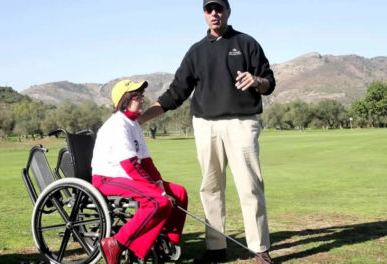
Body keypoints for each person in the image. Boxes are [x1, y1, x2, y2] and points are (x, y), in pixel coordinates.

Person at [138, 0, 275, 263]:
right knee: (210, 188)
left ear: (228, 11)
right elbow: (175, 93)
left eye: (219, 8)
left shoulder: (247, 43)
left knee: (250, 186)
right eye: (209, 9)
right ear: (204, 14)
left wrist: (257, 80)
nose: (215, 13)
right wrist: (139, 119)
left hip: (242, 123)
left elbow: (269, 82)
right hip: (205, 126)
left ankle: (260, 249)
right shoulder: (196, 51)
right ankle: (216, 248)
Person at [91, 79, 188, 264]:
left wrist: (158, 182)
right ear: (124, 99)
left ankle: (165, 244)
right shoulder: (118, 125)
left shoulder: (133, 123)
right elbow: (130, 166)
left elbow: (146, 162)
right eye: (137, 96)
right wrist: (158, 191)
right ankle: (116, 243)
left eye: (141, 95)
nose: (142, 99)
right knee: (158, 201)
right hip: (108, 179)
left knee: (178, 192)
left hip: (126, 177)